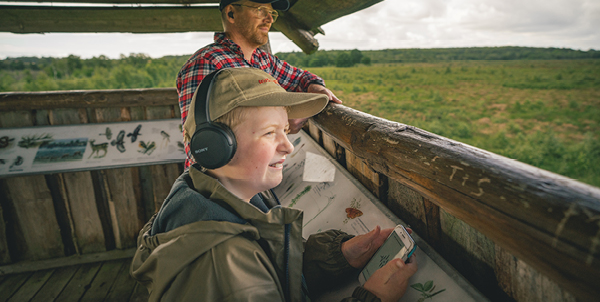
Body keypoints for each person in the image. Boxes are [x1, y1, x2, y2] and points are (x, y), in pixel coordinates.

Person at [131, 67, 417, 302]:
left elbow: (268, 270)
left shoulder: (212, 197)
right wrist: (374, 298)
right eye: (269, 133)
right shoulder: (224, 262)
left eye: (285, 130)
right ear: (215, 145)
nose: (288, 146)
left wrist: (339, 256)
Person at [177, 0, 342, 170]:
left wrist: (316, 86)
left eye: (272, 13)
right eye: (260, 10)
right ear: (231, 13)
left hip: (258, 172)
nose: (269, 19)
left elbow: (302, 78)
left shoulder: (264, 60)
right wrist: (279, 125)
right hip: (220, 179)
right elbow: (201, 144)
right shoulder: (206, 63)